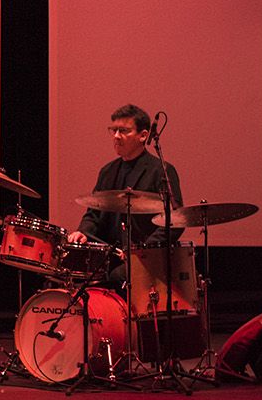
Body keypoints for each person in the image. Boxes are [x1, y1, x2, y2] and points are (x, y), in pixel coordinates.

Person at [68, 103, 183, 286]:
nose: (116, 136)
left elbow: (175, 221)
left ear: (143, 135)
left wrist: (142, 250)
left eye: (123, 131)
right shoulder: (107, 171)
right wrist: (83, 232)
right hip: (110, 255)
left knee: (116, 277)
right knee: (69, 271)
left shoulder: (160, 171)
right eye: (113, 130)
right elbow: (93, 214)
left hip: (145, 258)